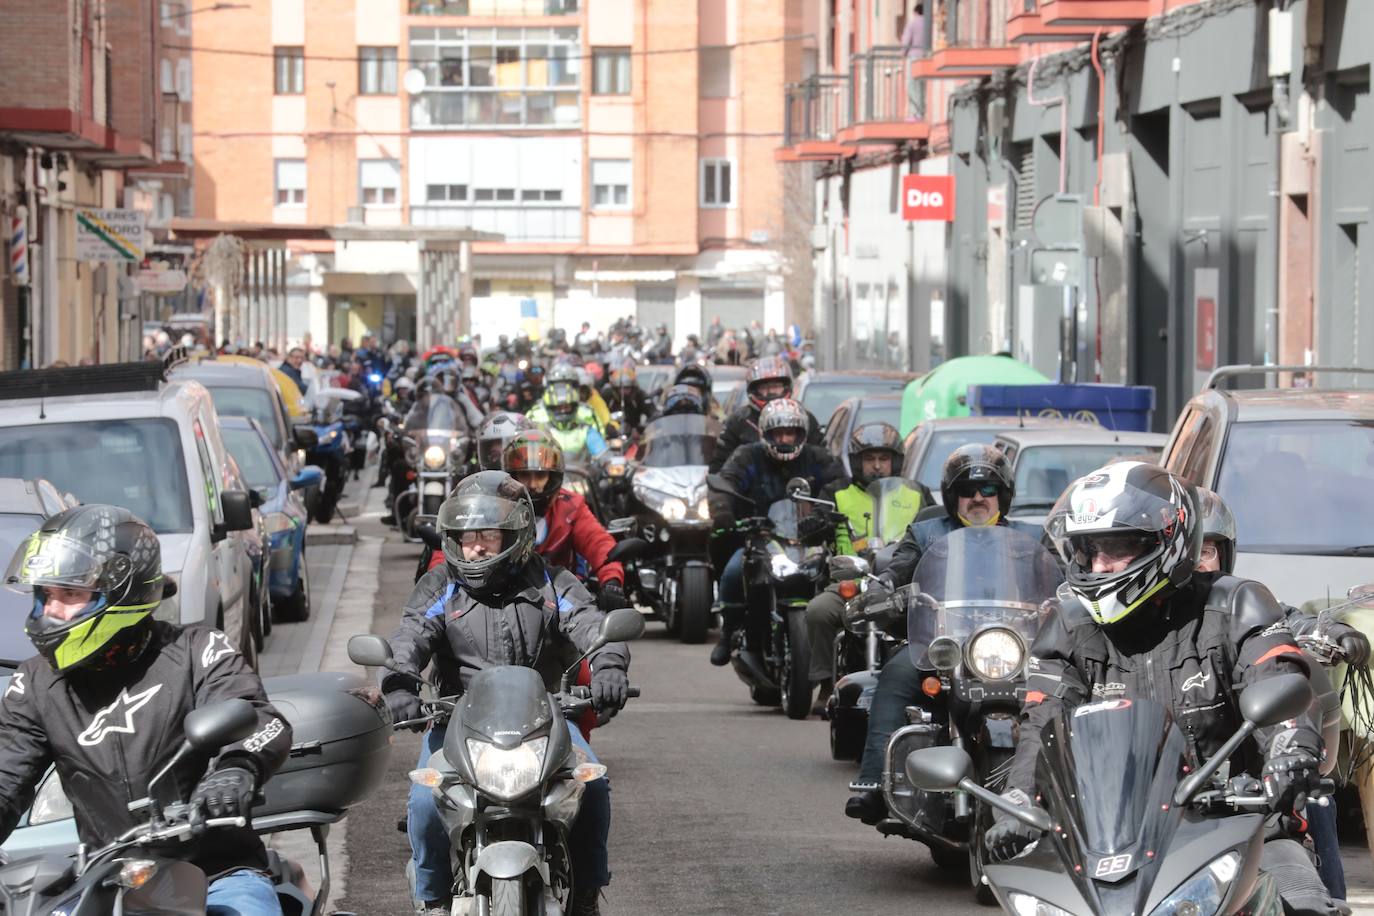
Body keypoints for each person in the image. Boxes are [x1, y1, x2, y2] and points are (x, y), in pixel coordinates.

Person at [983, 463, 1339, 916]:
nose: (1100, 565)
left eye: (1116, 548)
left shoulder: (1235, 605)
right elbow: (1042, 724)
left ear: (1167, 540)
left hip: (1239, 829)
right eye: (1090, 549)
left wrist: (1289, 749)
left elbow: (1276, 676)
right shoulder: (1069, 629)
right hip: (1108, 850)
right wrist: (1017, 802)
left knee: (1304, 902)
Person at [0, 505, 292, 913]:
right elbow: (7, 773)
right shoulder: (34, 683)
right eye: (45, 595)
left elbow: (258, 718)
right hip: (106, 877)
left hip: (215, 872)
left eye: (69, 594)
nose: (51, 611)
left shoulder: (197, 650)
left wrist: (235, 769)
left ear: (122, 592)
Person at [384, 473, 628, 916]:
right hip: (456, 719)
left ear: (516, 536)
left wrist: (609, 667)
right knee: (424, 799)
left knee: (593, 785)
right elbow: (410, 637)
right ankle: (433, 899)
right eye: (465, 536)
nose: (475, 547)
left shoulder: (554, 584)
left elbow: (595, 627)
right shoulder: (441, 587)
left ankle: (588, 893)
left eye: (488, 536)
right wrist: (399, 684)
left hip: (548, 717)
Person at [1195, 487, 1368, 901]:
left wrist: (1331, 632)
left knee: (1310, 795)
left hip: (1244, 789)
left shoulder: (1244, 608)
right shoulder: (1121, 627)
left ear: (1225, 553)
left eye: (1207, 550)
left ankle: (1333, 899)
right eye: (1187, 550)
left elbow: (1285, 622)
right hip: (1158, 805)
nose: (1197, 563)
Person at [846, 443, 1028, 822]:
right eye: (967, 491)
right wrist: (885, 591)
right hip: (939, 645)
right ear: (951, 497)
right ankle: (875, 784)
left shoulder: (1028, 540)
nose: (978, 498)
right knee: (896, 676)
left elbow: (1060, 578)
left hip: (1012, 648)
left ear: (1003, 496)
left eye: (989, 490)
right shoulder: (926, 533)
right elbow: (897, 570)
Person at [708, 398, 846, 667]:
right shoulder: (747, 455)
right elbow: (725, 482)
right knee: (735, 571)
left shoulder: (818, 458)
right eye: (778, 433)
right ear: (765, 434)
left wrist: (826, 515)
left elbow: (839, 486)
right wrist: (723, 509)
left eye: (790, 432)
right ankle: (728, 632)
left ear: (801, 434)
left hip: (810, 538)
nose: (784, 438)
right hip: (761, 536)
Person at [803, 423, 922, 714]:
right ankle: (826, 685)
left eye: (883, 459)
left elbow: (936, 529)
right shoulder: (837, 492)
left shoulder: (916, 494)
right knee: (819, 610)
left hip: (900, 582)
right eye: (870, 460)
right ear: (857, 462)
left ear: (895, 461)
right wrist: (818, 523)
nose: (878, 466)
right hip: (852, 581)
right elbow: (809, 530)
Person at [502, 431, 627, 610]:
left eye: (540, 476)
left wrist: (611, 581)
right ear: (513, 476)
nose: (532, 484)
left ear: (552, 477)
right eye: (525, 475)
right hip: (506, 599)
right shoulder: (496, 506)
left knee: (598, 633)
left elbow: (598, 542)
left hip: (564, 599)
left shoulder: (572, 506)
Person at [708, 356, 822, 474]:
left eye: (776, 386)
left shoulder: (805, 418)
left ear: (787, 387)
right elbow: (719, 467)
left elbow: (822, 461)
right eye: (764, 387)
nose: (771, 392)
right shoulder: (738, 421)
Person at [529, 381, 607, 460]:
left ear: (574, 408)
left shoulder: (585, 431)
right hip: (551, 472)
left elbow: (602, 453)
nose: (563, 411)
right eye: (558, 408)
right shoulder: (541, 432)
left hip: (580, 471)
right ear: (550, 409)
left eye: (566, 407)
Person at [600, 365, 652, 435]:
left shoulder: (640, 395)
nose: (623, 392)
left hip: (634, 437)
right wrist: (606, 426)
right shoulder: (606, 395)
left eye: (627, 388)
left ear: (633, 388)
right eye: (620, 388)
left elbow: (653, 413)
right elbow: (597, 413)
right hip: (610, 435)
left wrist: (641, 427)